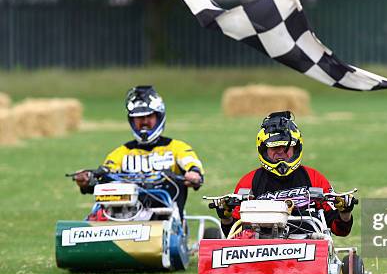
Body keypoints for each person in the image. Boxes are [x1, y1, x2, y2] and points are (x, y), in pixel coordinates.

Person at [215, 111, 354, 237]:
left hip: (309, 251)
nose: (281, 152)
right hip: (261, 252)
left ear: (297, 148)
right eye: (275, 147)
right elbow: (233, 234)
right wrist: (225, 217)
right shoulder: (249, 181)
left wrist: (345, 212)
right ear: (263, 150)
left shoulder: (314, 178)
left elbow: (340, 230)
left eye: (287, 147)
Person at [74, 85, 204, 218]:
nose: (145, 122)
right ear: (132, 120)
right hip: (124, 217)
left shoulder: (177, 147)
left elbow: (192, 164)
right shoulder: (121, 152)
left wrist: (194, 173)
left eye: (149, 116)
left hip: (166, 217)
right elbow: (106, 173)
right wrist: (86, 180)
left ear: (159, 117)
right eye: (139, 118)